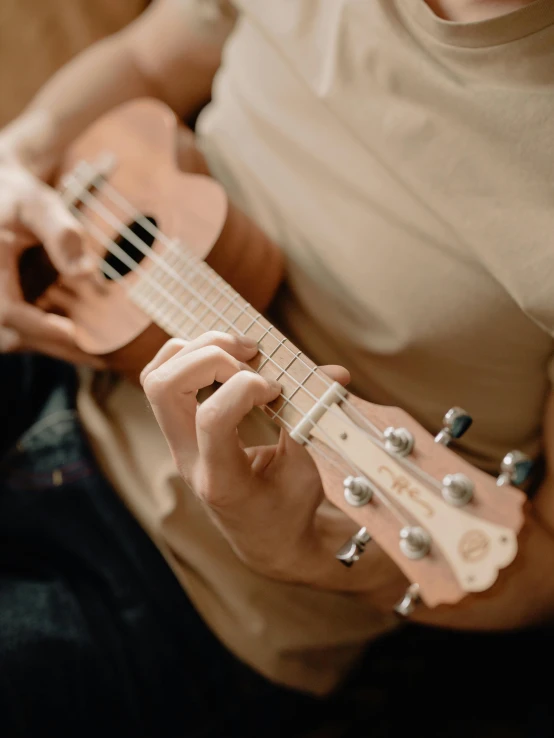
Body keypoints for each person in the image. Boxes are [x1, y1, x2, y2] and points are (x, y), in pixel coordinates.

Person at [1, 0, 554, 735]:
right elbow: (146, 59)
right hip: (56, 339)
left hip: (187, 594)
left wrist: (315, 554)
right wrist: (20, 153)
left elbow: (544, 566)